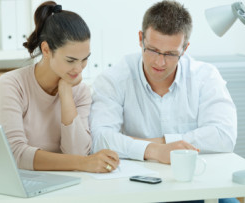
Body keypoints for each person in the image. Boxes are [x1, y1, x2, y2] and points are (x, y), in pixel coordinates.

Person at [90, 1, 237, 176]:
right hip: (139, 186)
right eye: (152, 50)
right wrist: (155, 150)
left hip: (196, 180)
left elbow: (224, 136)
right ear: (140, 39)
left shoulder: (205, 76)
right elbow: (99, 139)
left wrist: (163, 143)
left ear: (185, 48)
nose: (160, 62)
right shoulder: (114, 79)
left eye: (170, 54)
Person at [0, 1, 119, 173]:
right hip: (18, 181)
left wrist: (66, 93)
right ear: (46, 50)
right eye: (71, 60)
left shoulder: (79, 91)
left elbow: (77, 152)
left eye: (84, 59)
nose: (79, 68)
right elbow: (15, 153)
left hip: (64, 182)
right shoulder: (11, 85)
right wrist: (82, 163)